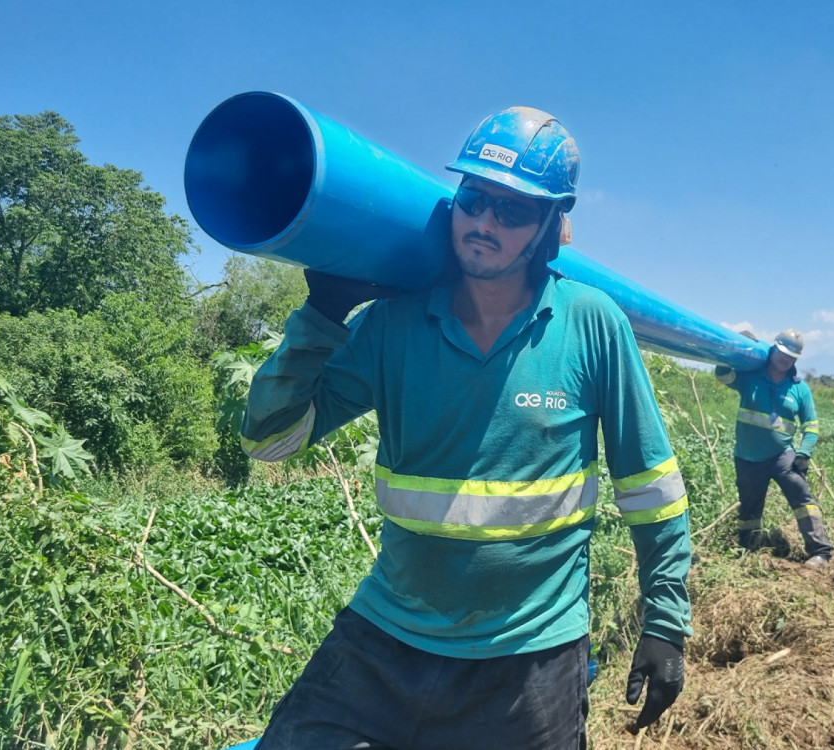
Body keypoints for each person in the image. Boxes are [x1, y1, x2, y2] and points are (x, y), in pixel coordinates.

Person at [241, 106, 692, 749]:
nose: (484, 223)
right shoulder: (393, 325)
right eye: (473, 198)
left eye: (512, 211)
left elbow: (652, 490)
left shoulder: (591, 325)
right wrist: (322, 315)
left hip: (529, 650)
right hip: (389, 636)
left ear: (549, 227)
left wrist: (665, 623)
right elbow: (271, 441)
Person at [714, 329, 833, 568]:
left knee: (801, 496)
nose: (785, 359)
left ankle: (820, 551)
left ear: (796, 359)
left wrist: (803, 454)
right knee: (749, 505)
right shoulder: (750, 377)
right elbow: (723, 374)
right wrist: (737, 347)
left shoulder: (799, 389)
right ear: (773, 349)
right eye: (782, 352)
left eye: (791, 356)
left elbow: (811, 425)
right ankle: (747, 548)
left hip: (782, 456)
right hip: (747, 457)